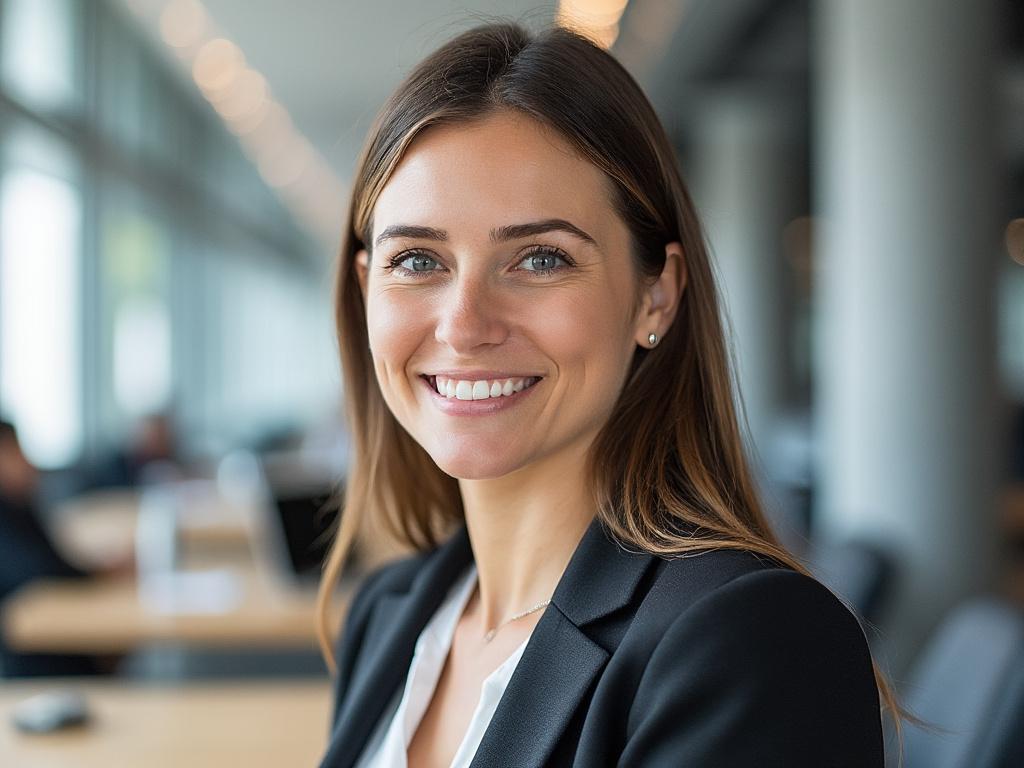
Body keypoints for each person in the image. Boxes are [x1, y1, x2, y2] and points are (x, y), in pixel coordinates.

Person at [315, 23, 904, 767]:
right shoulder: (390, 613)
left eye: (539, 258)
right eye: (418, 260)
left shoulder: (749, 641)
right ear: (367, 287)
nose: (464, 326)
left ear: (656, 296)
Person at [0, 419, 131, 676]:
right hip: (33, 655)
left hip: (54, 640)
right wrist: (97, 574)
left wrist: (98, 571)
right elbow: (37, 572)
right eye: (14, 453)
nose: (27, 463)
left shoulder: (21, 506)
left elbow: (55, 561)